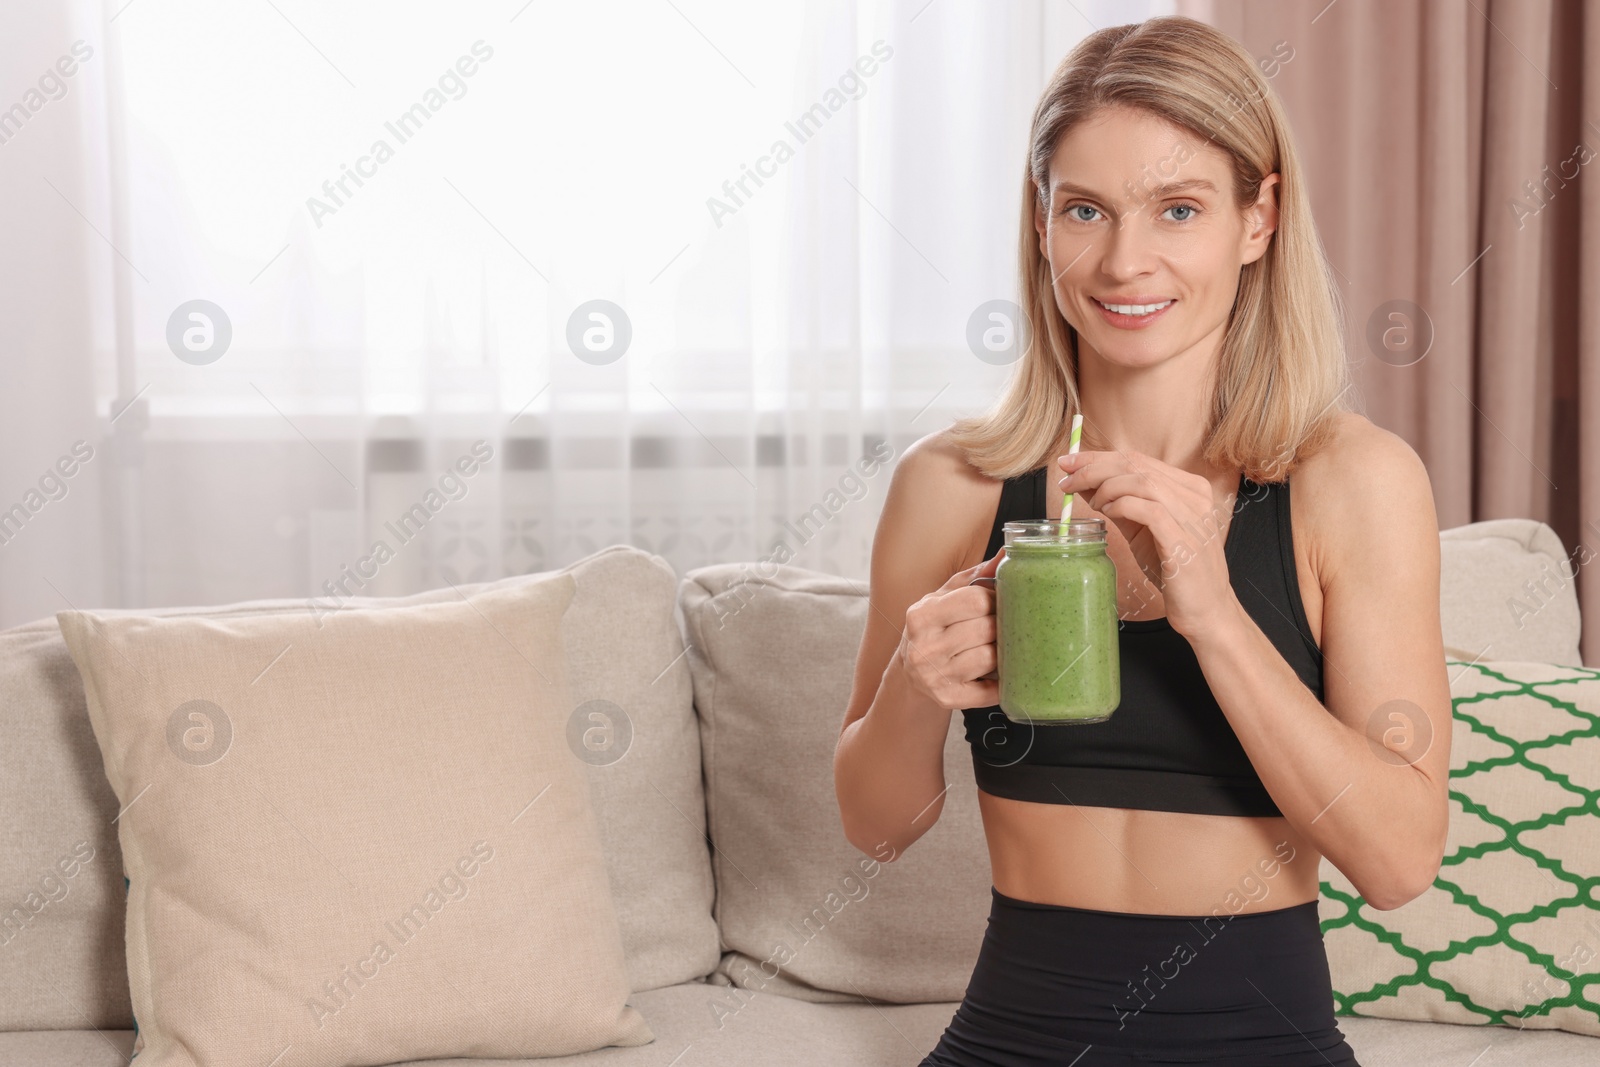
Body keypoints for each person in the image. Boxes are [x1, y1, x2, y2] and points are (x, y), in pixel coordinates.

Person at [833, 15, 1452, 1066]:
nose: (1126, 261)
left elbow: (1396, 860)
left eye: (1178, 209)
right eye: (1085, 209)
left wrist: (1212, 614)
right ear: (1040, 224)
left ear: (1258, 218)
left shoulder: (1352, 482)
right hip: (1008, 1040)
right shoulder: (950, 485)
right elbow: (876, 829)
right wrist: (911, 680)